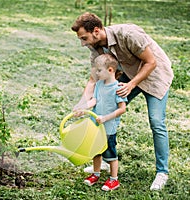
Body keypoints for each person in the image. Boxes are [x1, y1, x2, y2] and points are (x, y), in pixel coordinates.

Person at [71, 12, 174, 191]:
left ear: (96, 31)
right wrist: (82, 103)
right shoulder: (95, 47)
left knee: (157, 122)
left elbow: (151, 62)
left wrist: (132, 84)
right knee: (101, 111)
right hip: (127, 73)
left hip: (155, 75)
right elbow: (93, 79)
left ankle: (162, 172)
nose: (83, 43)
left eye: (84, 38)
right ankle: (105, 158)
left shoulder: (127, 34)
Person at [82, 54, 127, 191]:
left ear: (110, 70)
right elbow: (94, 100)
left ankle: (114, 180)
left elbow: (122, 109)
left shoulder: (117, 88)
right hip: (96, 126)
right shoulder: (99, 84)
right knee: (96, 151)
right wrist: (83, 107)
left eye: (99, 70)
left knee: (110, 154)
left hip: (108, 128)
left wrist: (105, 118)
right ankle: (96, 174)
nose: (96, 73)